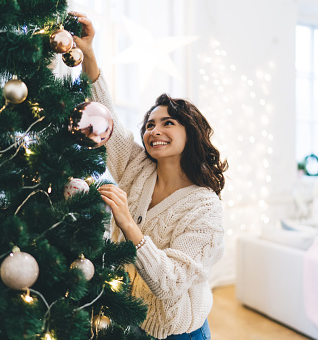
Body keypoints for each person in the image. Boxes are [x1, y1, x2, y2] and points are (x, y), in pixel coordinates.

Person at [71, 12, 227, 340]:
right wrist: (89, 55)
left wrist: (128, 224)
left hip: (174, 332)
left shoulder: (206, 210)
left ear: (191, 131)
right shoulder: (138, 166)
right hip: (122, 317)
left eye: (168, 123)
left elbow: (169, 283)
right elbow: (107, 115)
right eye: (150, 124)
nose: (155, 130)